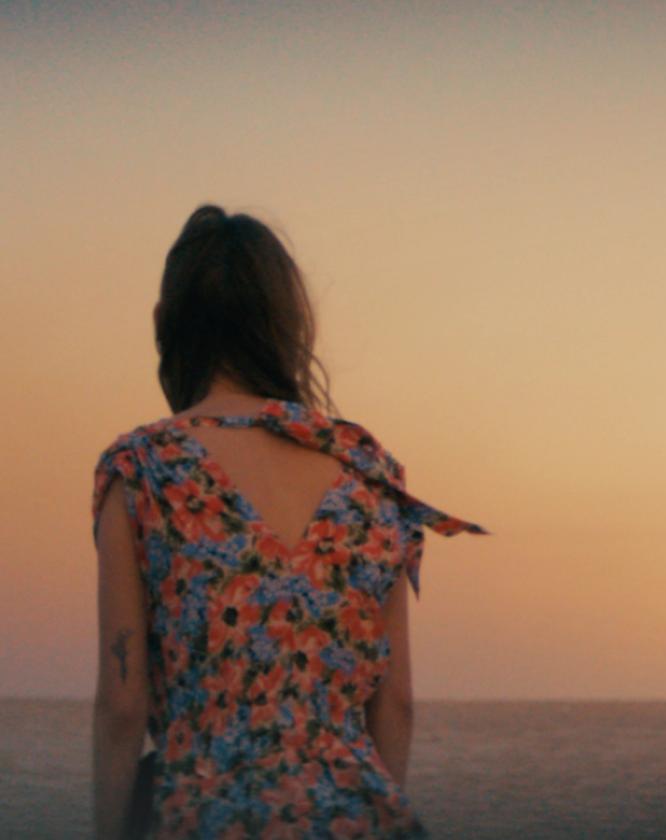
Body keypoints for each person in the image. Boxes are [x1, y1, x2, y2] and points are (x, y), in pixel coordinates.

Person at [91, 206, 485, 838]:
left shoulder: (142, 470)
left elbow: (121, 708)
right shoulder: (367, 471)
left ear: (163, 323)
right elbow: (397, 703)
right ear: (288, 327)